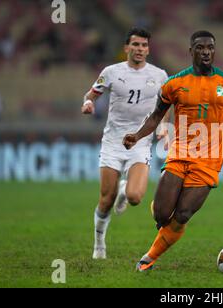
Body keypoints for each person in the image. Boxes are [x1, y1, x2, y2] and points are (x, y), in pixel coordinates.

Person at [123, 30, 223, 271]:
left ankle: (148, 258)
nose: (206, 52)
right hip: (180, 153)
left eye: (210, 48)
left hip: (209, 159)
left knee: (182, 214)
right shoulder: (175, 84)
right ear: (191, 51)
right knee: (162, 215)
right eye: (200, 48)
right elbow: (157, 115)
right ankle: (162, 217)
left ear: (214, 51)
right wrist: (137, 136)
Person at [81, 28, 169, 259]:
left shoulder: (159, 75)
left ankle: (124, 189)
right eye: (136, 45)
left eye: (144, 45)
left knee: (135, 197)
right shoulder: (111, 72)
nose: (140, 49)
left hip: (139, 142)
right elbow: (91, 94)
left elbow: (166, 105)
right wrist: (88, 103)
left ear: (148, 49)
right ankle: (99, 242)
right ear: (127, 48)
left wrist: (163, 127)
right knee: (105, 200)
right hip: (112, 143)